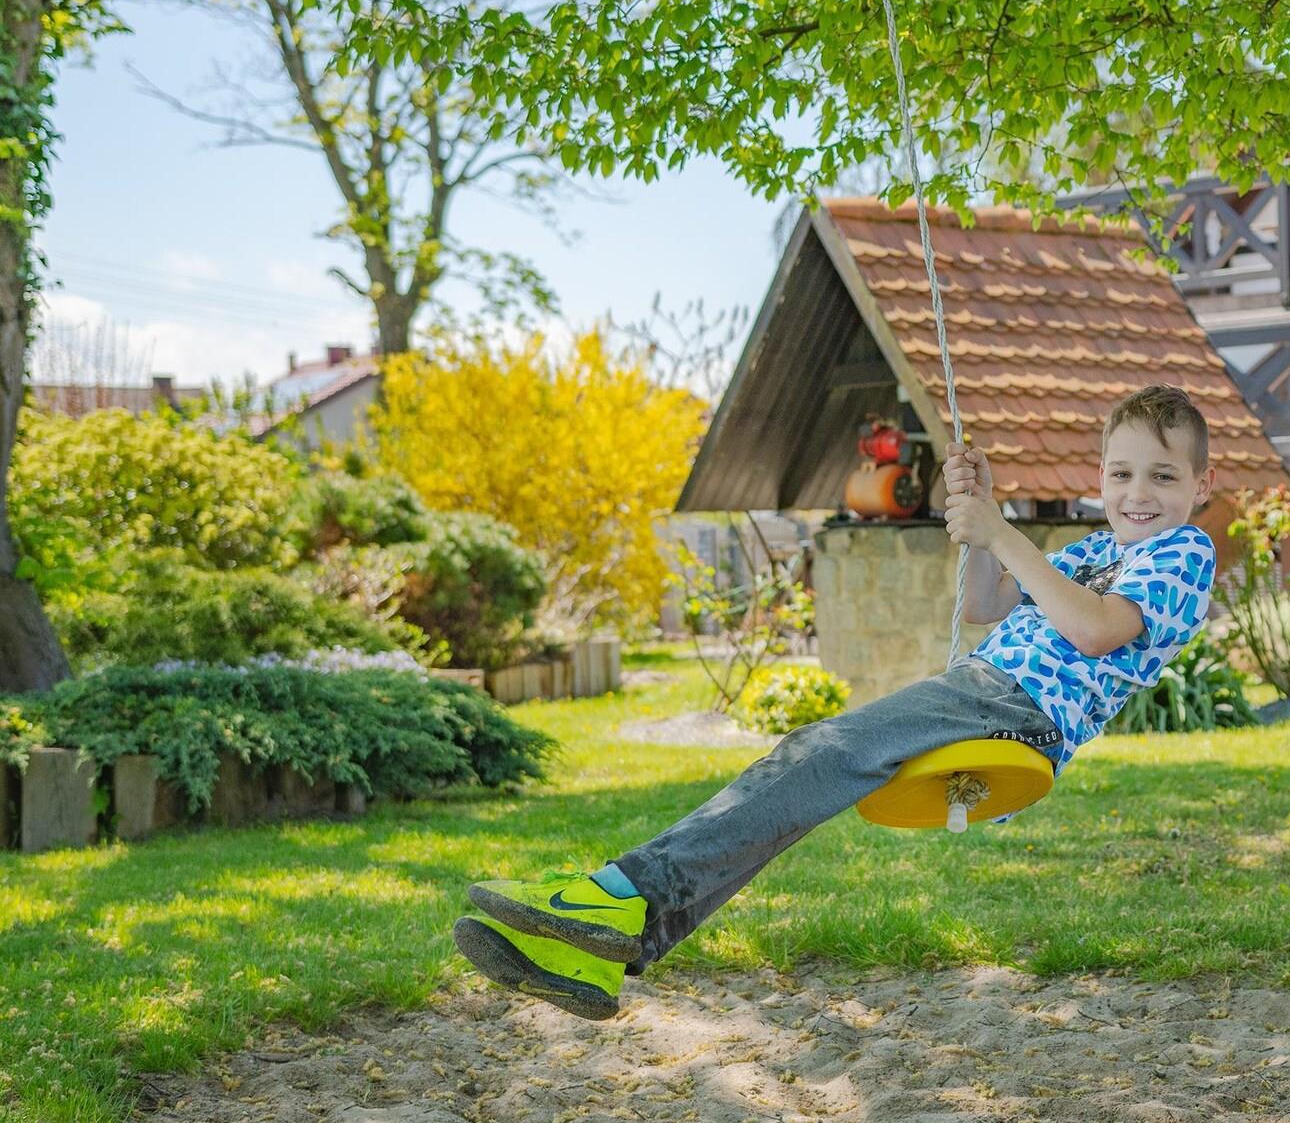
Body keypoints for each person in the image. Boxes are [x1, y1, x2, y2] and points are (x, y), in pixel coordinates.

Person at [451, 383, 1220, 1019]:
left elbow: (1094, 629)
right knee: (809, 775)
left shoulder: (1184, 551)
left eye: (1162, 476)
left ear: (1201, 485)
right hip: (987, 690)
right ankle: (607, 946)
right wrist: (987, 515)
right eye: (1121, 474)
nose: (1137, 493)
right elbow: (988, 603)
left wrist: (1003, 533)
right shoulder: (1097, 548)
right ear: (1100, 476)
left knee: (816, 753)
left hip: (1017, 707)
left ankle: (614, 897)